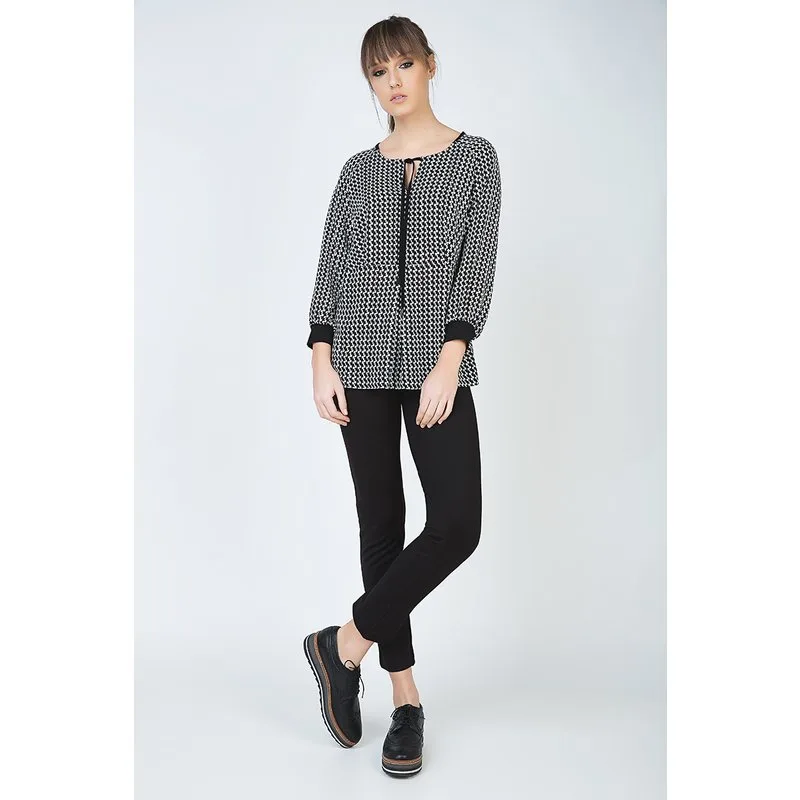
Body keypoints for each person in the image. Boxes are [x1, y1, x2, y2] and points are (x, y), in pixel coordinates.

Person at [302, 15, 502, 778]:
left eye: (404, 65)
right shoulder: (357, 171)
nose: (392, 81)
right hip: (356, 360)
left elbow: (477, 262)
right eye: (378, 71)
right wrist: (321, 356)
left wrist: (452, 355)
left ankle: (343, 644)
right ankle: (405, 700)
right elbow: (332, 263)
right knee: (380, 525)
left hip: (433, 363)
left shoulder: (475, 159)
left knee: (456, 523)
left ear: (429, 66)